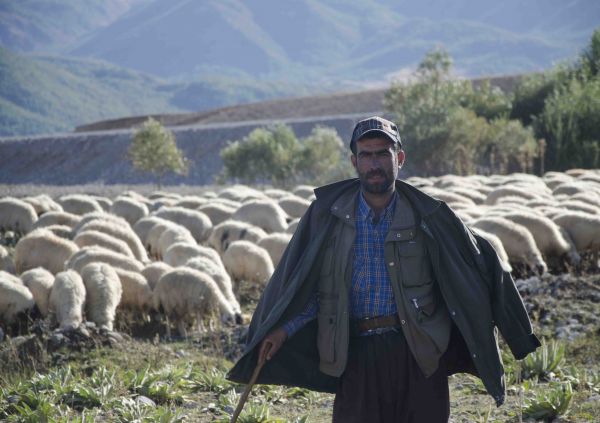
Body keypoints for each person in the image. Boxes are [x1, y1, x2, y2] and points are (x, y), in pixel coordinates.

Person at [228, 116, 540, 422]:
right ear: (354, 162)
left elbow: (477, 264)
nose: (374, 163)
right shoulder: (329, 217)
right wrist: (283, 329)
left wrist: (515, 332)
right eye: (366, 155)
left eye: (382, 154)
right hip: (355, 353)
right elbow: (312, 285)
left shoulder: (428, 216)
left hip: (419, 352)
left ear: (399, 158)